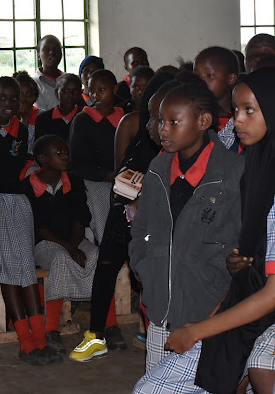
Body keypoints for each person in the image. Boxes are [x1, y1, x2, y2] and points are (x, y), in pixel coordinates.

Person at [155, 67, 275, 394]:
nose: (237, 120)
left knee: (262, 367)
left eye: (250, 110)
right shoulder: (257, 171)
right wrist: (246, 260)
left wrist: (199, 330)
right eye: (236, 110)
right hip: (247, 300)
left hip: (264, 311)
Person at [129, 82, 243, 387]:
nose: (163, 130)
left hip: (207, 314)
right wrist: (146, 268)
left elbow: (241, 243)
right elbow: (141, 229)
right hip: (160, 311)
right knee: (155, 382)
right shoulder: (157, 168)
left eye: (174, 122)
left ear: (203, 122)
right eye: (161, 121)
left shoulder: (233, 172)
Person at [69, 72, 174, 362]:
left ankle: (156, 332)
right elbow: (120, 172)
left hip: (159, 215)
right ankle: (95, 334)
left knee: (153, 275)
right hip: (125, 208)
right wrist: (134, 200)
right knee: (106, 268)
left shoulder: (178, 130)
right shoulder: (131, 123)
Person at [0, 73, 61, 366]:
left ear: (22, 102)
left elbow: (26, 163)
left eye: (14, 98)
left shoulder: (26, 131)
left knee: (23, 272)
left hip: (17, 204)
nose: (8, 103)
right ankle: (0, 341)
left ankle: (38, 339)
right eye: (2, 98)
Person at [23, 135, 97, 353]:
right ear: (42, 159)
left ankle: (105, 325)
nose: (65, 156)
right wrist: (70, 249)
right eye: (59, 153)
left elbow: (80, 217)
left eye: (66, 152)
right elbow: (39, 227)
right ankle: (51, 328)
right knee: (60, 259)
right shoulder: (29, 186)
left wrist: (75, 246)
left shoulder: (73, 180)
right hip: (44, 243)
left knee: (97, 257)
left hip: (74, 239)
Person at [69, 69, 124, 244]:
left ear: (114, 89)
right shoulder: (83, 120)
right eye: (91, 91)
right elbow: (77, 164)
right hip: (94, 181)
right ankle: (106, 251)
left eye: (102, 90)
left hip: (122, 179)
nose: (95, 95)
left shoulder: (125, 117)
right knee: (104, 214)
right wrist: (107, 176)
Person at [35, 73, 82, 142]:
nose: (70, 95)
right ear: (57, 92)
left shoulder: (84, 117)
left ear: (80, 94)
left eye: (75, 91)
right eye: (66, 91)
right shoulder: (43, 119)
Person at [34, 35, 63, 111]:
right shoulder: (33, 84)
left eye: (56, 49)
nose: (52, 52)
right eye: (46, 49)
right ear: (38, 56)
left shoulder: (69, 80)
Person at [14, 71, 41, 154]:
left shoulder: (42, 117)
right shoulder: (6, 117)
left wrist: (26, 117)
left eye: (29, 95)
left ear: (35, 98)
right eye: (20, 94)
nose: (24, 99)